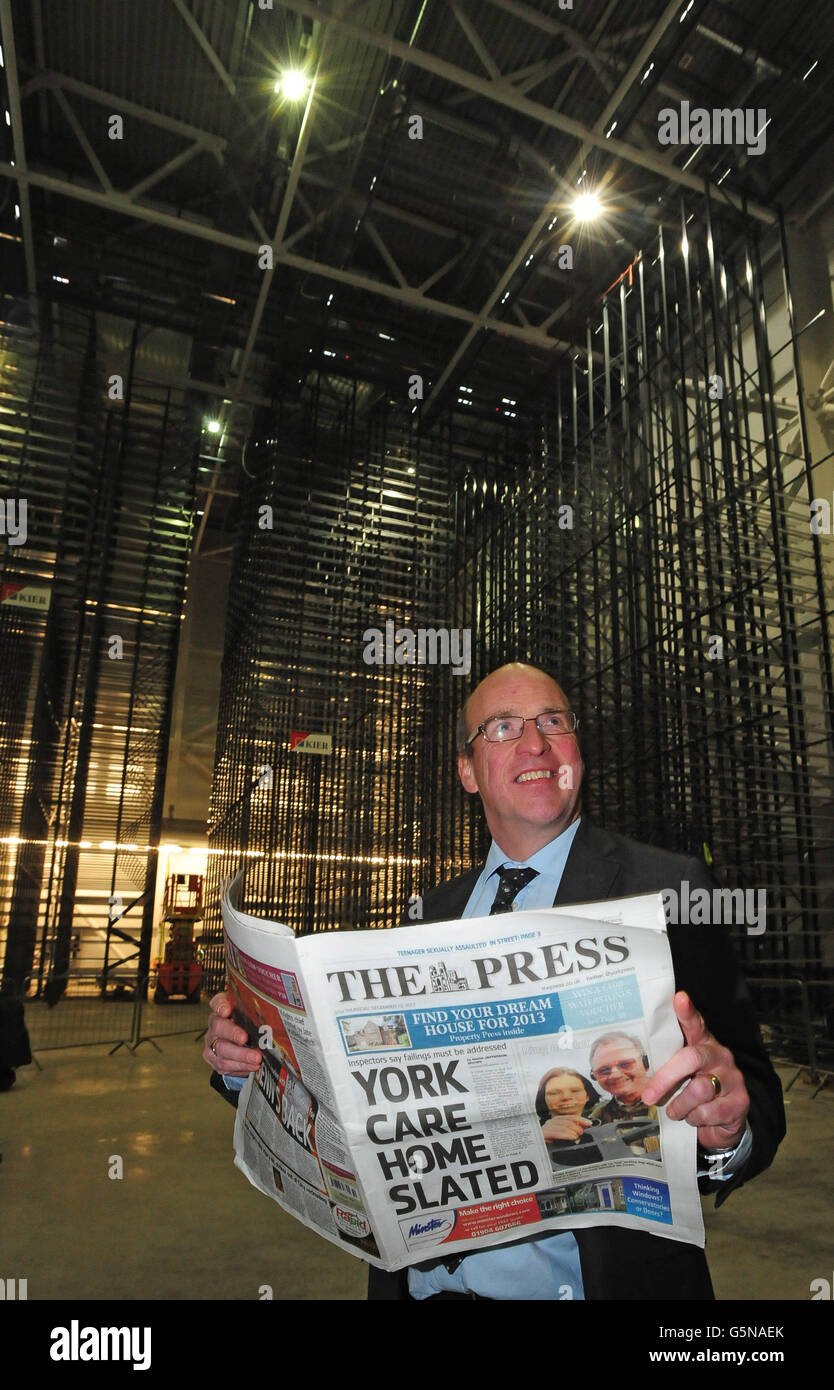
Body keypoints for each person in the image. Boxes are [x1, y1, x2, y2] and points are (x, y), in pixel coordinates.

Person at [204, 662, 785, 1300]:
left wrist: (726, 1129)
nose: (535, 744)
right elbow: (363, 1107)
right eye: (504, 727)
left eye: (553, 722)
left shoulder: (669, 890)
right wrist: (251, 1064)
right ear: (467, 771)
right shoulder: (430, 912)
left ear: (576, 751)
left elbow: (749, 1092)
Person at [535, 1067, 604, 1167]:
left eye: (575, 1090)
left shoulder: (602, 1127)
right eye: (554, 1093)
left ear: (587, 1095)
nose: (566, 1097)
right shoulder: (533, 1134)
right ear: (543, 1099)